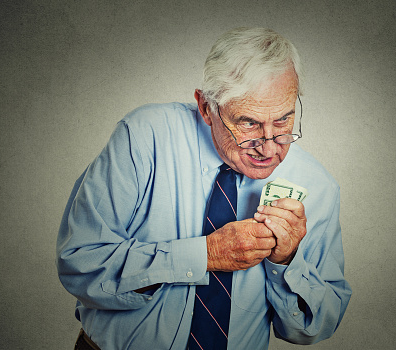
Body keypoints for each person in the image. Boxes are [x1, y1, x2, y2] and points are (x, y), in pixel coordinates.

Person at [57, 27, 351, 350]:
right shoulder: (143, 138)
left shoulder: (318, 187)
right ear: (207, 107)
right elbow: (79, 263)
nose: (269, 148)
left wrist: (287, 261)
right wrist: (205, 254)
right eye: (249, 123)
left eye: (283, 121)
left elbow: (312, 328)